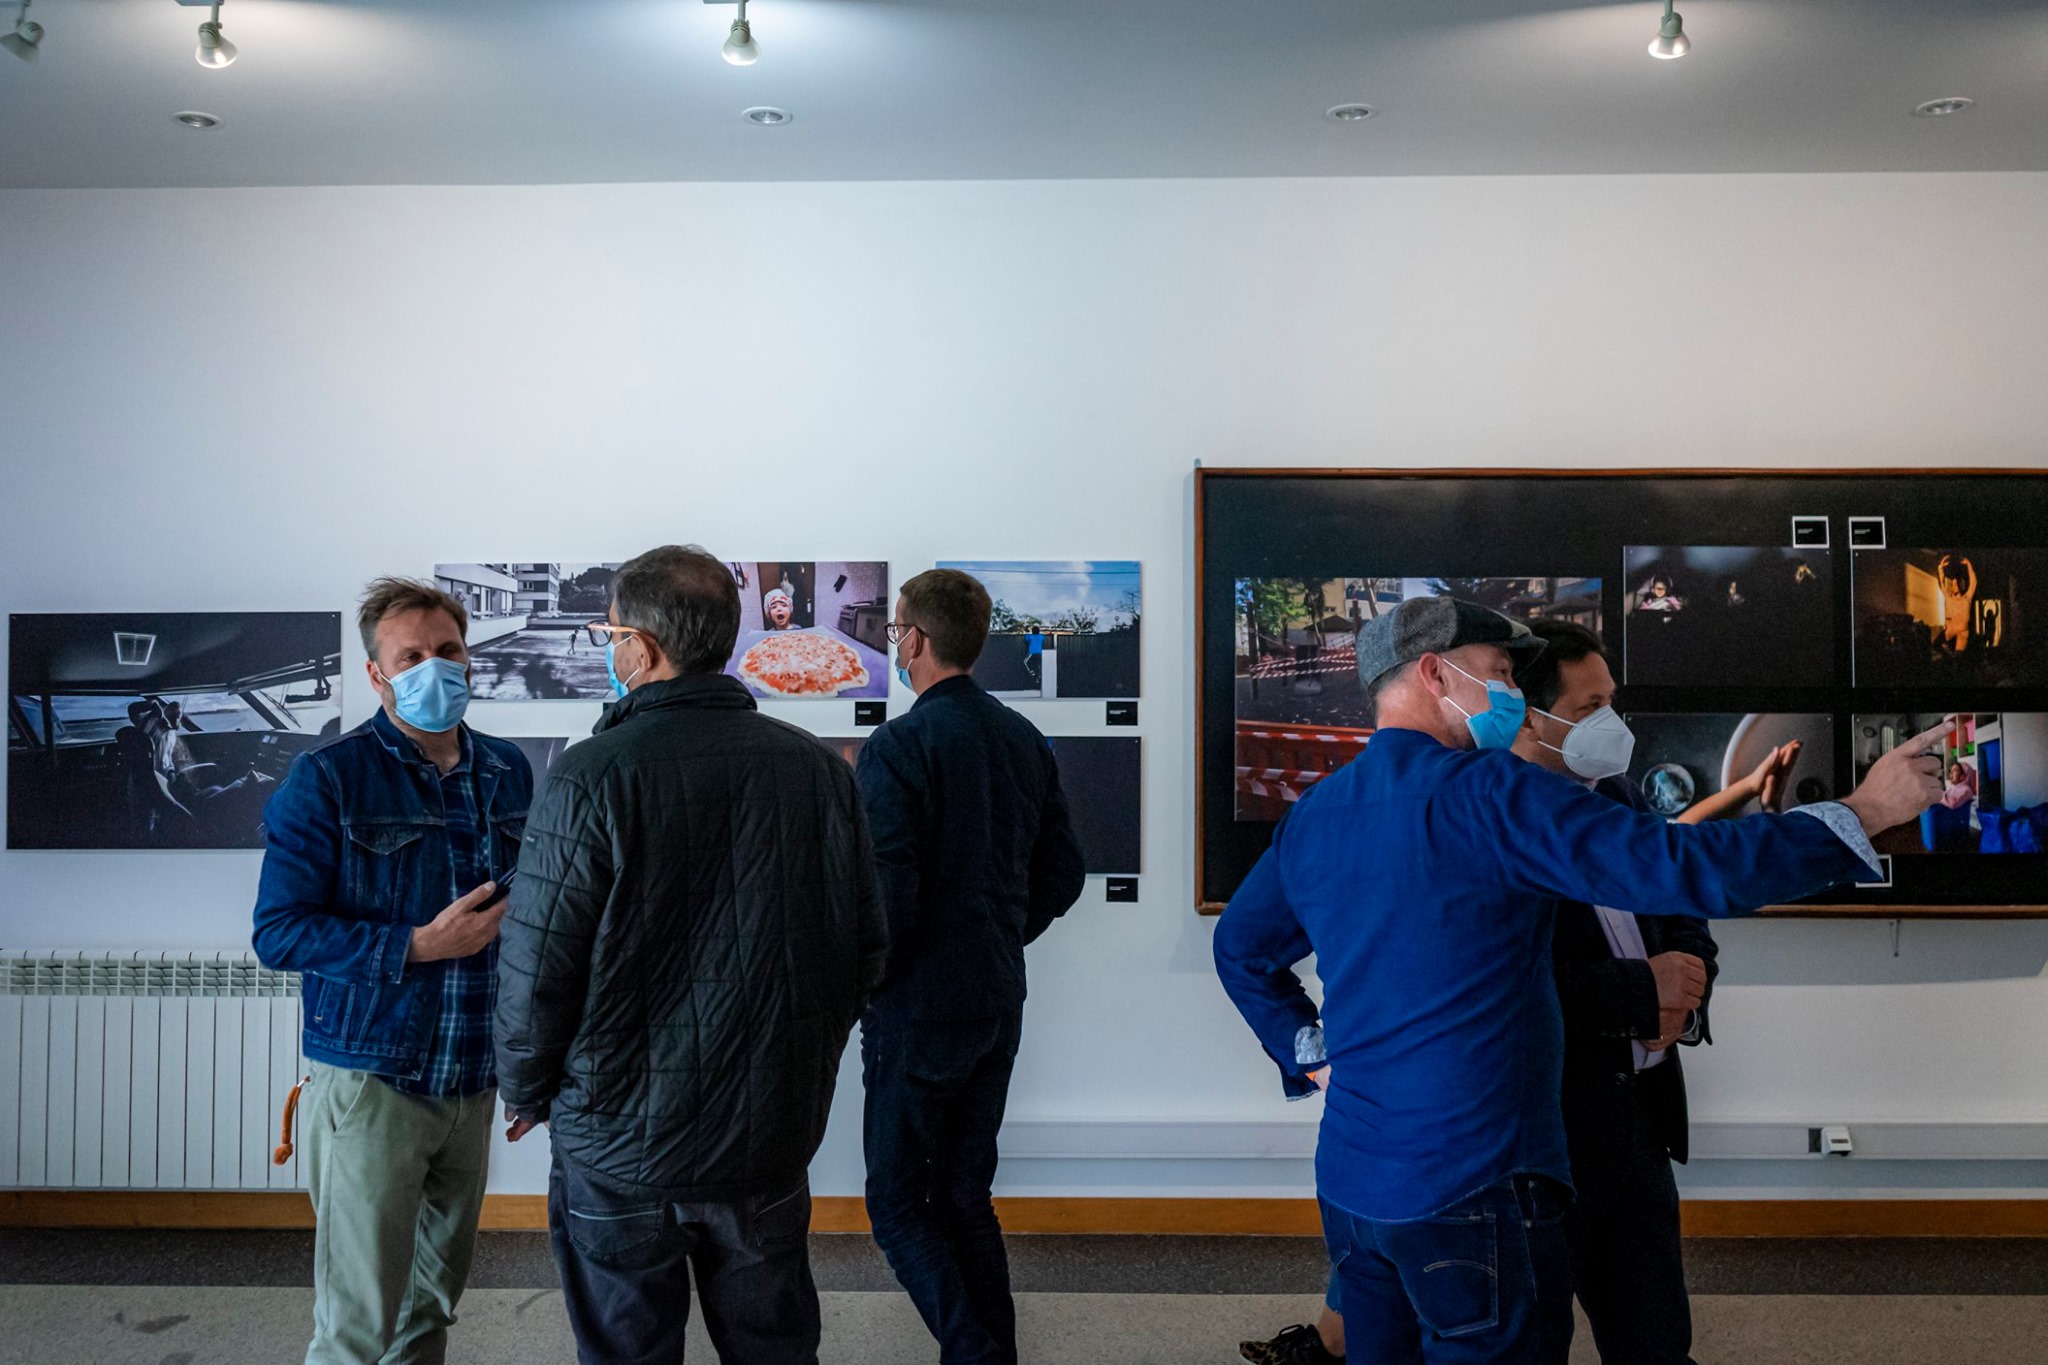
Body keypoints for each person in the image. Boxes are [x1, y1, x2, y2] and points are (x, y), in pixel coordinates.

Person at [1214, 595, 1943, 1365]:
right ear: (1435, 673)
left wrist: (1311, 1052)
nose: (1510, 694)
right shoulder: (1490, 793)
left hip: (1354, 1184)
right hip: (1475, 1182)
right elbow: (1684, 866)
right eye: (1499, 672)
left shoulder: (1321, 810)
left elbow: (1241, 949)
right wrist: (1863, 810)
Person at [495, 544, 887, 1365]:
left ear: (641, 649)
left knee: (628, 1349)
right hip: (766, 1128)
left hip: (616, 1140)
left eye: (609, 634)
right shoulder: (817, 771)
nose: (607, 649)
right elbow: (863, 949)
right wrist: (799, 1057)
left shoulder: (590, 775)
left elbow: (539, 966)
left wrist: (526, 1087)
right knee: (775, 1350)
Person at [252, 577, 532, 1365]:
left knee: (429, 1310)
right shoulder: (329, 776)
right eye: (411, 657)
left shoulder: (508, 769)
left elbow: (523, 927)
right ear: (377, 674)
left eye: (448, 650)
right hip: (375, 1081)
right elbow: (278, 932)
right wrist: (416, 944)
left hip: (473, 1080)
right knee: (357, 1326)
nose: (434, 667)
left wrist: (530, 1059)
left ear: (469, 656)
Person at [855, 568, 1088, 1365]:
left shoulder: (899, 746)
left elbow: (887, 896)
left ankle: (975, 1354)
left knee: (895, 1204)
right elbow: (1064, 873)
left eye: (896, 630)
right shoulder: (1021, 738)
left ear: (915, 639)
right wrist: (997, 932)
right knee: (963, 1194)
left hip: (919, 1007)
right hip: (995, 997)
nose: (896, 643)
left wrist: (870, 980)